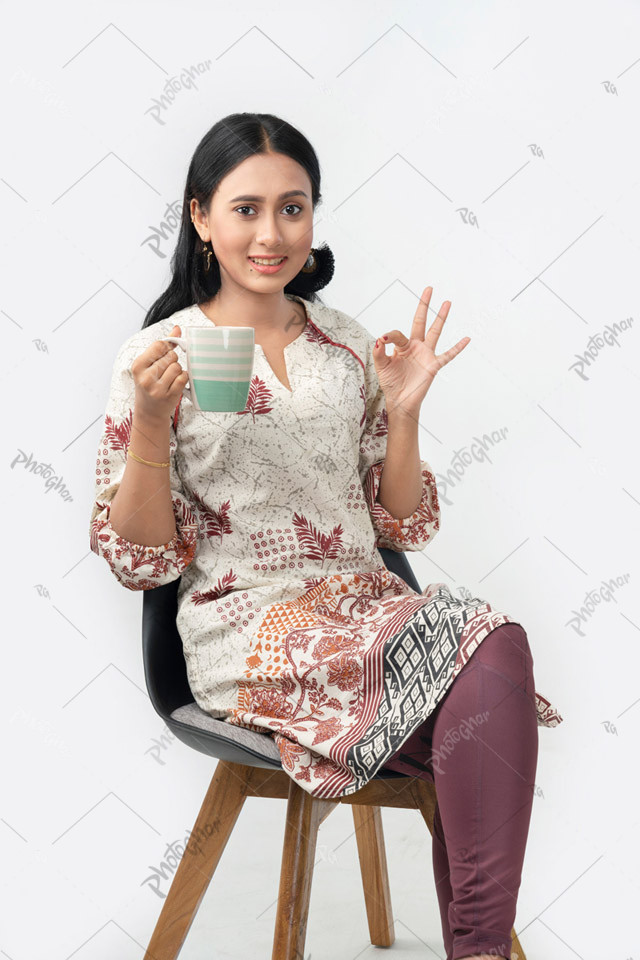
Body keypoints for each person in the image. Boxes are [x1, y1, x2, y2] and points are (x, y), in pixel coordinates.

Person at [89, 112, 563, 960]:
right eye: (245, 209)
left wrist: (407, 412)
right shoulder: (156, 354)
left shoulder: (345, 343)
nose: (271, 234)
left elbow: (401, 519)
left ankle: (478, 948)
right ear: (200, 217)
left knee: (492, 648)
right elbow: (139, 560)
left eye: (293, 208)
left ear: (313, 216)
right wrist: (154, 427)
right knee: (478, 689)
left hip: (367, 608)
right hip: (250, 626)